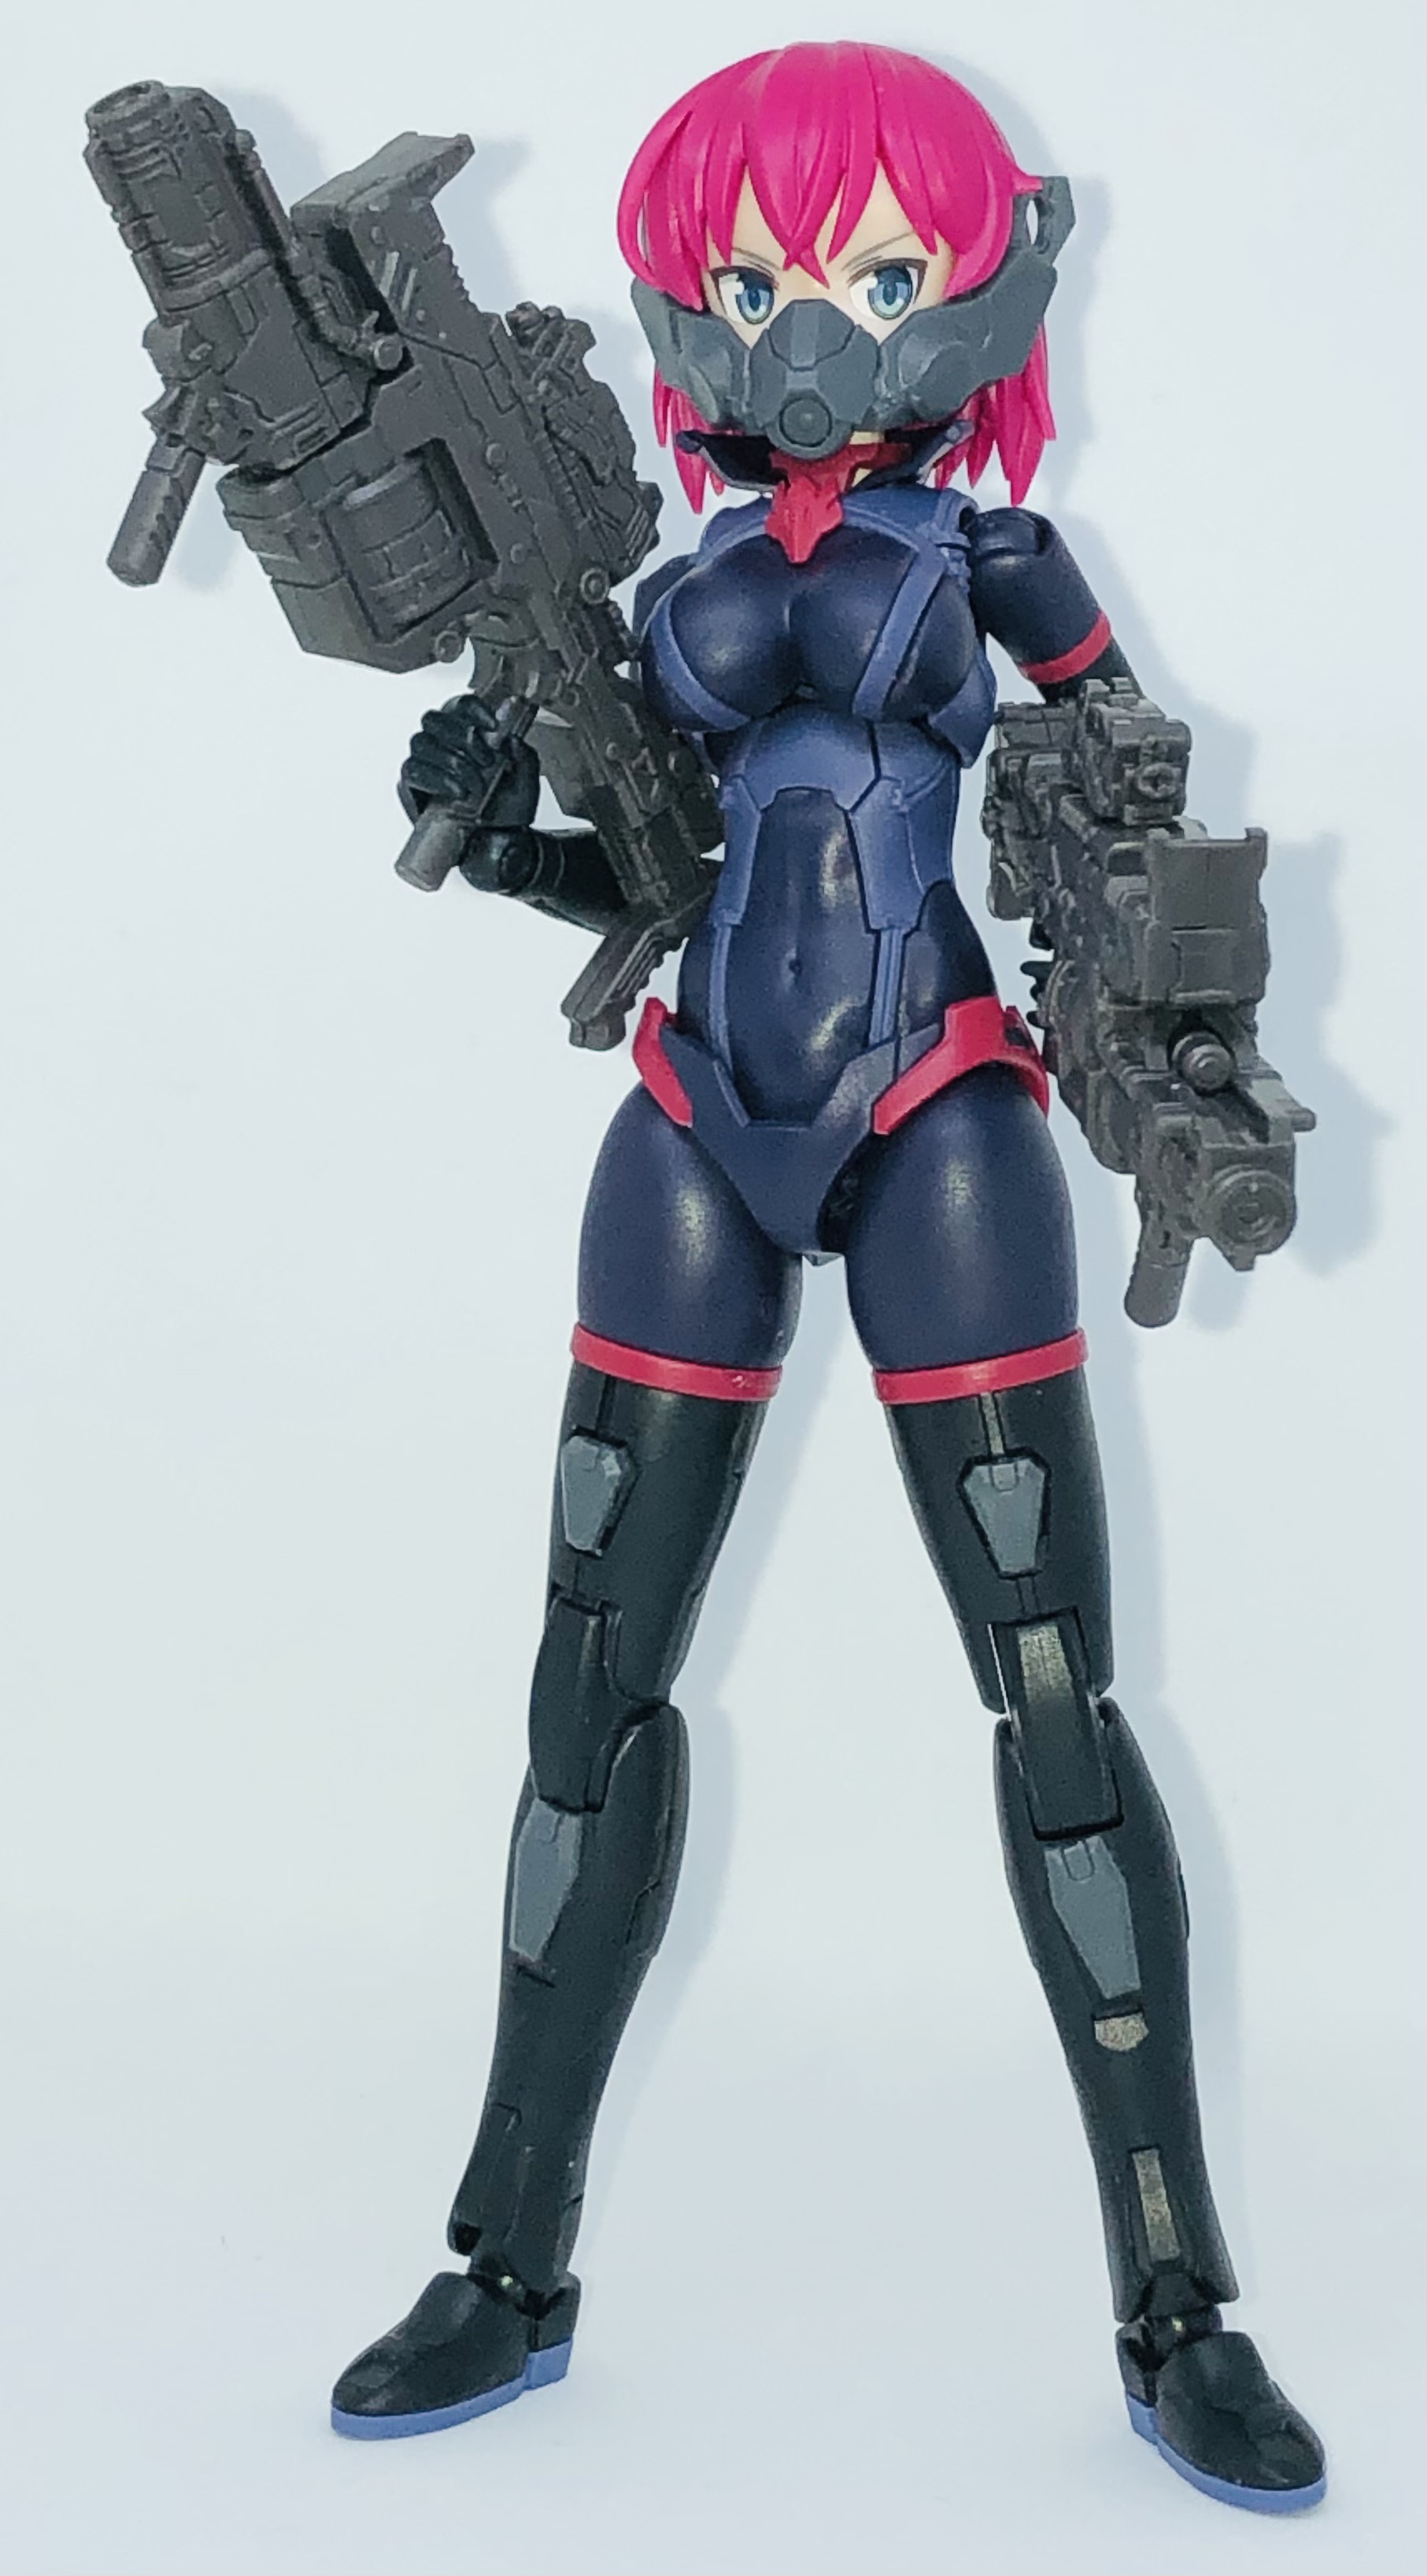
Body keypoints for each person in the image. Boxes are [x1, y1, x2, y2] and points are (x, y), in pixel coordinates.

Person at [329, 43, 1325, 2513]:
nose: (809, 318)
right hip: (695, 1113)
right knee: (588, 1690)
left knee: (1055, 1701)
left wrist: (1190, 1051)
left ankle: (1178, 2296)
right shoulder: (664, 596)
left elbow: (1131, 806)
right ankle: (506, 2259)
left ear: (981, 282)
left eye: (876, 267)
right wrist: (499, 828)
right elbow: (653, 875)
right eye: (758, 274)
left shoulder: (992, 560)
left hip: (937, 1111)